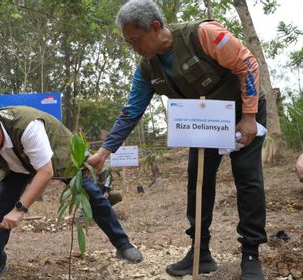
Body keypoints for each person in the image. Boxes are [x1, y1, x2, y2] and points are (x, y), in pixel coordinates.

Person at [87, 1, 267, 280]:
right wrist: (104, 152)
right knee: (198, 181)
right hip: (207, 121)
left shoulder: (204, 34)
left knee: (247, 176)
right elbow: (131, 111)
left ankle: (251, 254)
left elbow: (247, 64)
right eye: (128, 42)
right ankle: (200, 252)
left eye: (136, 39)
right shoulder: (147, 69)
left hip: (243, 110)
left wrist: (249, 116)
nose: (134, 47)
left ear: (156, 27)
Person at [0, 106, 143, 280]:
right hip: (18, 167)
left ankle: (123, 244)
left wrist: (20, 209)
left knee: (92, 196)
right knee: (1, 211)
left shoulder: (28, 127)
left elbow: (45, 172)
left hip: (57, 156)